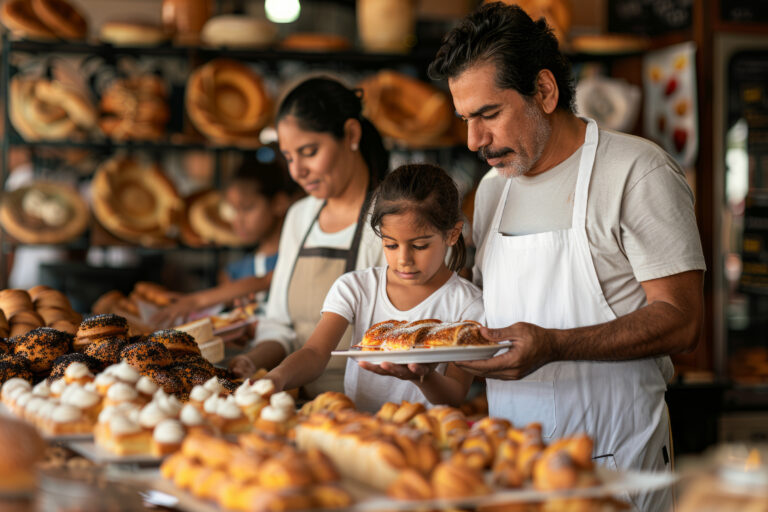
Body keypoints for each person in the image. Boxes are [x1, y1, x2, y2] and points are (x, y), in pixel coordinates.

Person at [427, 3, 705, 511]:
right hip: (515, 467)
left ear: (545, 91)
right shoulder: (492, 191)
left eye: (489, 114)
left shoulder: (636, 172)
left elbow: (682, 321)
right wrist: (423, 359)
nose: (474, 141)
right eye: (465, 119)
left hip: (616, 464)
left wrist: (553, 345)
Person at [264, 164, 482, 412]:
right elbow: (315, 353)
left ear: (453, 234)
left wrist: (419, 376)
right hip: (361, 433)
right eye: (391, 245)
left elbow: (454, 395)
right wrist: (277, 377)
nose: (404, 259)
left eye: (420, 246)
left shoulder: (468, 305)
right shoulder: (356, 288)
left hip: (426, 437)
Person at [228, 76, 390, 398]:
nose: (296, 171)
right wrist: (249, 362)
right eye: (289, 157)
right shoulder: (300, 216)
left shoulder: (391, 219)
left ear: (351, 135)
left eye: (309, 151)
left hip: (370, 407)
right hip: (299, 404)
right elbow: (279, 325)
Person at [152, 146, 301, 326]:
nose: (237, 220)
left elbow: (268, 280)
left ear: (279, 203)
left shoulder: (297, 257)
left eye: (247, 208)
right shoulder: (234, 273)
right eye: (232, 209)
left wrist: (196, 301)